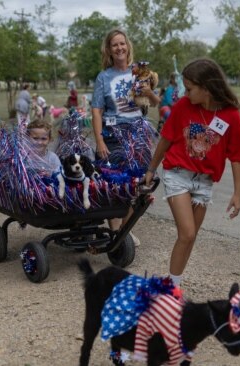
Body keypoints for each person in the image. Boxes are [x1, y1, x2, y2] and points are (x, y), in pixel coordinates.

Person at [143, 58, 240, 287]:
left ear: (206, 87)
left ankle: (174, 283)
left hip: (204, 182)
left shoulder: (230, 115)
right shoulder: (183, 106)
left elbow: (237, 156)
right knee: (188, 234)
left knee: (189, 239)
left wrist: (238, 194)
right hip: (177, 174)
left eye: (189, 88)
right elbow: (166, 140)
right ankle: (171, 291)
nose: (185, 92)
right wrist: (151, 169)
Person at [92, 28, 160, 242]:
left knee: (139, 184)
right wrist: (99, 140)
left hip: (137, 135)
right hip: (112, 134)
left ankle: (125, 229)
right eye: (115, 45)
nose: (120, 48)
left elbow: (156, 102)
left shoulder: (141, 72)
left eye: (122, 43)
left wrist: (148, 92)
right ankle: (115, 231)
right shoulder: (104, 77)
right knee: (113, 184)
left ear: (128, 46)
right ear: (109, 50)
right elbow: (96, 110)